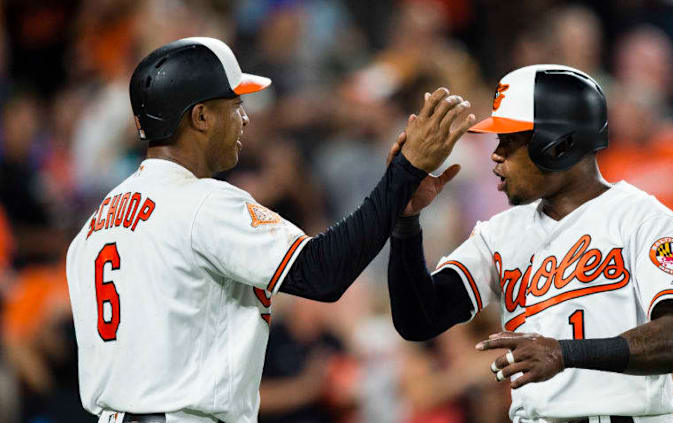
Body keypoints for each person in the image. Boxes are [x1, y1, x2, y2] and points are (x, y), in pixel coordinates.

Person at [65, 37, 476, 423]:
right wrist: (404, 172)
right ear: (201, 116)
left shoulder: (92, 228)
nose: (244, 118)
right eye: (235, 104)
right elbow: (322, 274)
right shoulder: (202, 203)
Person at [387, 64, 673, 423]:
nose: (496, 154)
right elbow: (418, 320)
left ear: (559, 145)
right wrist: (406, 221)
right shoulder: (499, 234)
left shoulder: (643, 220)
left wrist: (564, 353)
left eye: (510, 141)